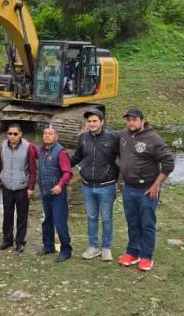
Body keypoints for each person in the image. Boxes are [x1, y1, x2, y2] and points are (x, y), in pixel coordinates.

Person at [117, 108, 175, 271]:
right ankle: (132, 252)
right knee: (132, 222)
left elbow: (169, 162)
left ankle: (146, 256)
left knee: (147, 223)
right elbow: (107, 137)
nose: (131, 123)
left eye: (134, 120)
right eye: (128, 120)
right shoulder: (124, 135)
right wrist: (86, 132)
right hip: (129, 188)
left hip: (147, 189)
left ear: (142, 121)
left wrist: (156, 185)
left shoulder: (153, 139)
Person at [70, 108, 119, 261]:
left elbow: (124, 156)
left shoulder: (112, 138)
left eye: (95, 121)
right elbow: (77, 156)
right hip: (87, 185)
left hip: (107, 185)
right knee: (91, 217)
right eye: (89, 121)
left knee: (106, 218)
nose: (92, 124)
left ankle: (106, 248)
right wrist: (61, 166)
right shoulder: (83, 138)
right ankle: (93, 246)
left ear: (102, 122)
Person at [0, 123, 38, 253]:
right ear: (7, 134)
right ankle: (7, 239)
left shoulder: (28, 147)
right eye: (10, 133)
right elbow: (0, 165)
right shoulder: (3, 145)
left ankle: (20, 241)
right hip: (7, 186)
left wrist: (31, 187)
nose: (12, 136)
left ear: (20, 134)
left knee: (22, 216)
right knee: (7, 215)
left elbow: (32, 169)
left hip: (22, 187)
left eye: (15, 134)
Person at [37, 126, 73, 262]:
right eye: (45, 133)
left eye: (50, 134)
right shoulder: (41, 150)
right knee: (47, 221)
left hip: (57, 194)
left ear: (56, 137)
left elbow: (68, 172)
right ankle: (48, 246)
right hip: (45, 192)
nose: (47, 136)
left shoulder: (60, 152)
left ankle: (66, 250)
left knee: (60, 222)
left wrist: (60, 185)